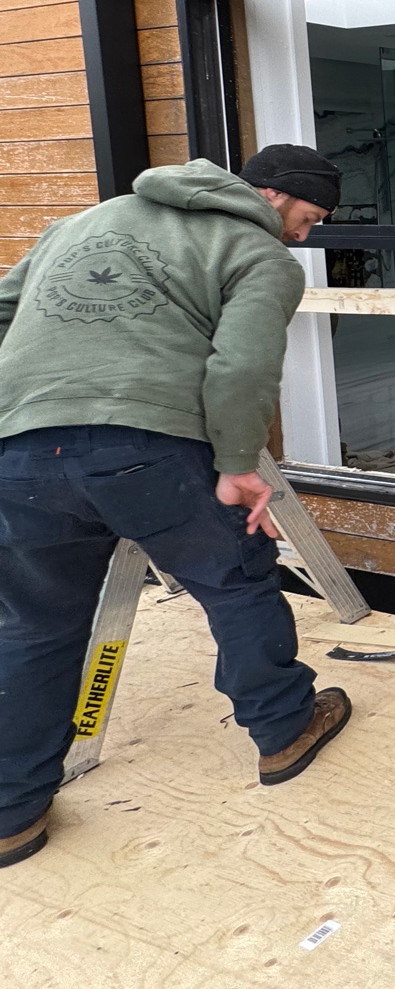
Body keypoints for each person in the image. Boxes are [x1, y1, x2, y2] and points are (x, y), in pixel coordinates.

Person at [0, 145, 351, 869]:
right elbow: (242, 366)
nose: (305, 237)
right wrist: (234, 469)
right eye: (308, 218)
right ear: (270, 195)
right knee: (235, 577)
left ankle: (11, 813)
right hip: (149, 449)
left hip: (23, 454)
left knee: (34, 627)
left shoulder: (81, 223)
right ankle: (285, 727)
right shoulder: (259, 254)